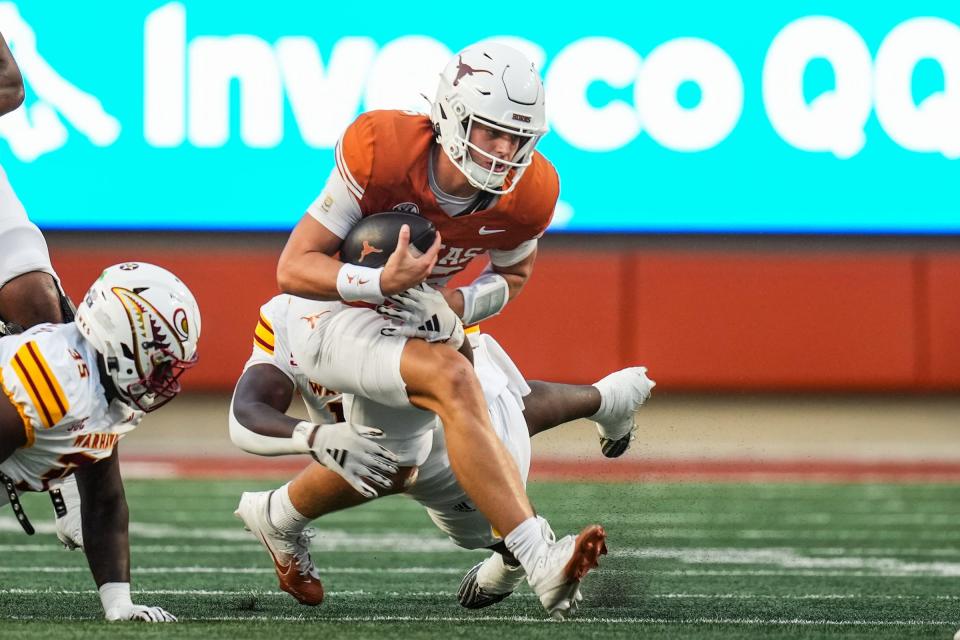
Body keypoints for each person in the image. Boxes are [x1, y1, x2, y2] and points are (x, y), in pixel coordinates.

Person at [273, 41, 618, 618]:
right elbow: (293, 268)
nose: (507, 151)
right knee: (454, 378)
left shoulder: (529, 193)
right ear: (453, 117)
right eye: (492, 132)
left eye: (518, 137)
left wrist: (454, 303)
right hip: (330, 315)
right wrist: (380, 282)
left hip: (418, 324)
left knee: (417, 469)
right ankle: (539, 559)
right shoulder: (382, 151)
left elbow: (513, 276)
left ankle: (276, 516)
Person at [229, 291, 654, 611]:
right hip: (387, 436)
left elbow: (467, 385)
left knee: (479, 439)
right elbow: (245, 414)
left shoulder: (419, 294)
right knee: (420, 454)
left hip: (458, 402)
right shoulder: (290, 314)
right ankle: (612, 397)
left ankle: (523, 554)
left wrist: (451, 329)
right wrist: (313, 436)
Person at [0, 262, 201, 623]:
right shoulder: (55, 383)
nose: (166, 379)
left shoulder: (104, 395)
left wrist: (119, 605)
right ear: (123, 339)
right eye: (160, 363)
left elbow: (103, 503)